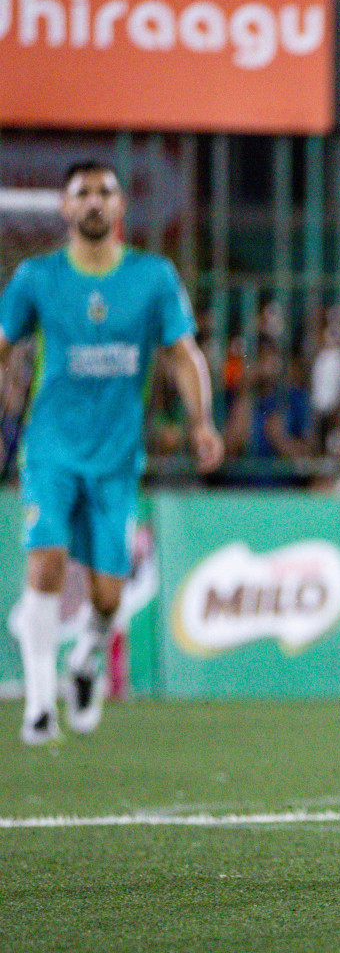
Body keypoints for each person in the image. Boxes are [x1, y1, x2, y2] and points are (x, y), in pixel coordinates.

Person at [0, 161, 223, 744]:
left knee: (107, 594)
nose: (95, 201)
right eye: (83, 192)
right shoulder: (36, 278)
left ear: (121, 207)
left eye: (105, 192)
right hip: (49, 448)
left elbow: (183, 355)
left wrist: (201, 422)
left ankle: (85, 660)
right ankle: (41, 704)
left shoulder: (152, 278)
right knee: (45, 560)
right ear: (65, 208)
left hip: (118, 459)